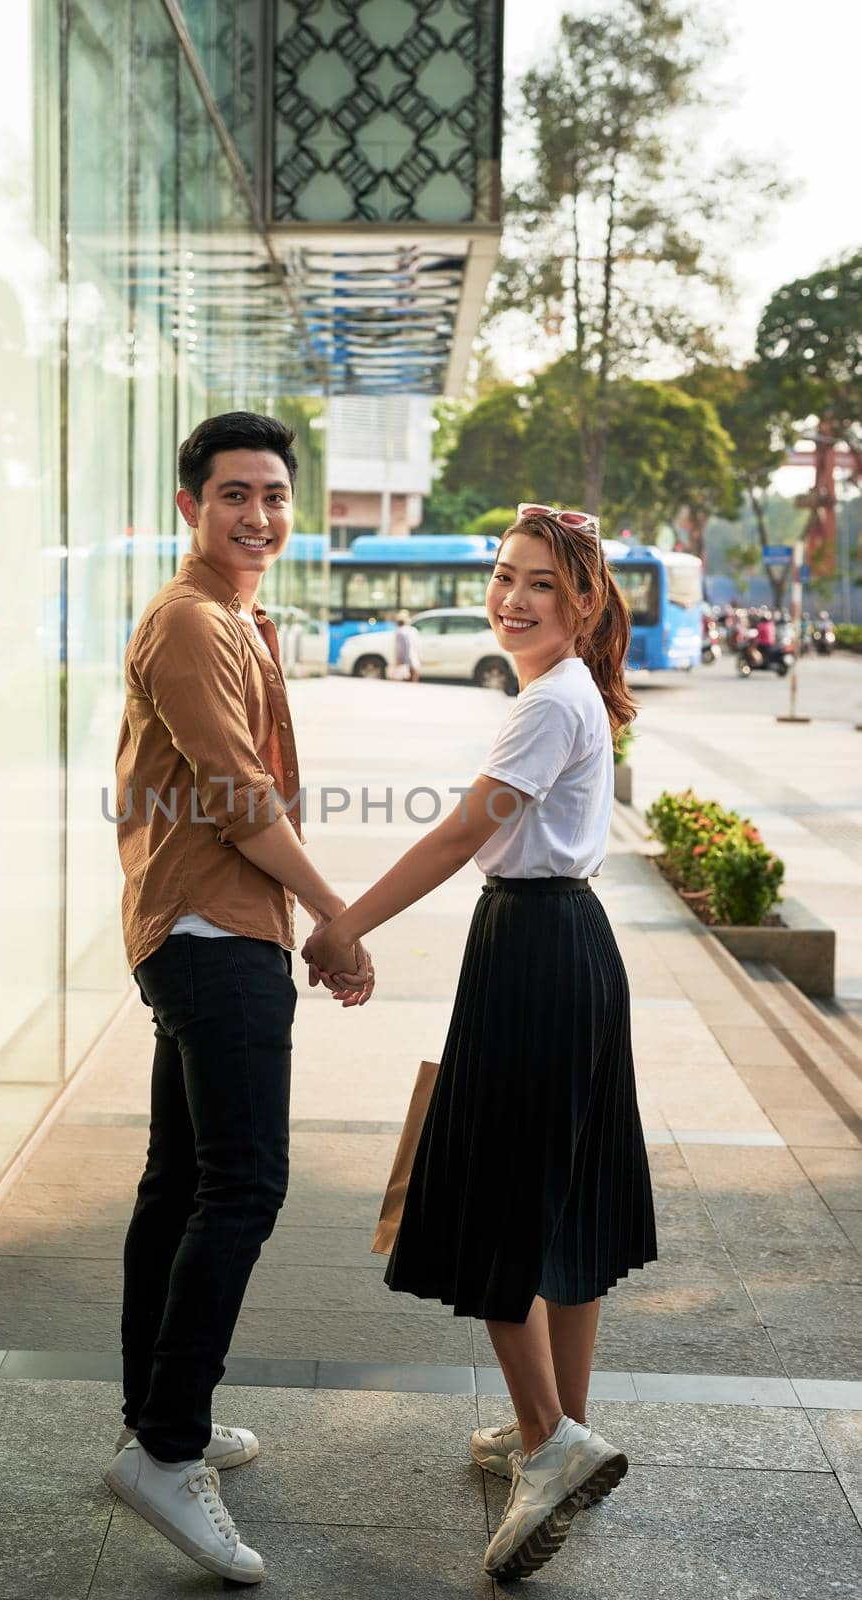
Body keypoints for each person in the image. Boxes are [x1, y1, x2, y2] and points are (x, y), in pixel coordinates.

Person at [304, 503, 657, 1583]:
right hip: (568, 943)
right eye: (505, 576)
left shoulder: (549, 703)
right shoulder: (569, 694)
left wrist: (345, 922)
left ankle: (550, 1443)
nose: (512, 597)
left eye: (540, 582)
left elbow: (464, 834)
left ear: (584, 600)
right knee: (569, 1197)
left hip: (534, 949)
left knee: (493, 1196)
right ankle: (560, 1426)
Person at [107, 411, 373, 1587]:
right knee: (245, 1184)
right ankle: (167, 1449)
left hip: (215, 928)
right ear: (189, 507)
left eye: (273, 494)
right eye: (233, 495)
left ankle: (157, 1413)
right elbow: (237, 796)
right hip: (214, 935)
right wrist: (338, 912)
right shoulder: (189, 622)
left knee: (181, 1180)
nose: (258, 515)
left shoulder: (230, 618)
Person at [393, 609, 420, 682]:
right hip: (414, 658)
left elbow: (400, 648)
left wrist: (398, 660)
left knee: (403, 679)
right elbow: (417, 645)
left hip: (406, 659)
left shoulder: (400, 632)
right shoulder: (413, 630)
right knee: (413, 676)